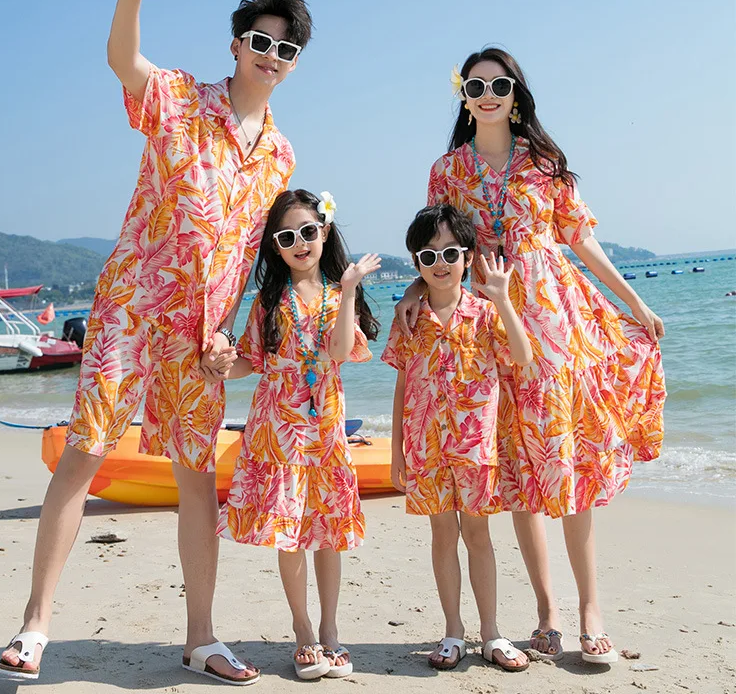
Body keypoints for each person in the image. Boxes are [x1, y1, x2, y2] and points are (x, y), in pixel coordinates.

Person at [0, 0, 312, 685]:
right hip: (133, 311)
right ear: (235, 46)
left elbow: (259, 257)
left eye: (285, 50)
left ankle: (202, 636)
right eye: (258, 42)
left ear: (294, 64)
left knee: (197, 476)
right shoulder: (179, 100)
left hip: (202, 337)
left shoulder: (281, 156)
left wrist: (241, 336)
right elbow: (122, 62)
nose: (269, 57)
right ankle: (35, 625)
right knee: (85, 452)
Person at [395, 47, 665, 665]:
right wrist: (415, 286)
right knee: (518, 466)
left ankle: (592, 611)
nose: (488, 93)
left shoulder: (544, 164)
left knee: (569, 465)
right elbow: (437, 241)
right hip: (489, 328)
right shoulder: (447, 170)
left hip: (553, 319)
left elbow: (582, 240)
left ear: (516, 93)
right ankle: (547, 615)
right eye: (476, 85)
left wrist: (635, 302)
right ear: (462, 95)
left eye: (500, 83)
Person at [216, 189, 380, 680]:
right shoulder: (270, 298)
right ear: (276, 246)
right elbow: (253, 359)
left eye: (309, 231)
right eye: (287, 237)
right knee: (290, 532)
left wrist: (349, 289)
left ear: (324, 232)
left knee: (328, 529)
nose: (300, 243)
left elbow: (338, 351)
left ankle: (331, 631)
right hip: (277, 425)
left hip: (326, 423)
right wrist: (224, 365)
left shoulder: (337, 292)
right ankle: (304, 632)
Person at [383, 204, 533, 672]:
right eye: (428, 256)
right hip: (425, 447)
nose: (440, 263)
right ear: (416, 264)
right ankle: (453, 631)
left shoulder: (485, 315)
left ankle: (491, 632)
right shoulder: (409, 319)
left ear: (467, 257)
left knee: (479, 536)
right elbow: (403, 385)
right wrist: (396, 453)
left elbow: (523, 357)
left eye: (450, 252)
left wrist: (503, 298)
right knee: (441, 535)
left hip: (476, 447)